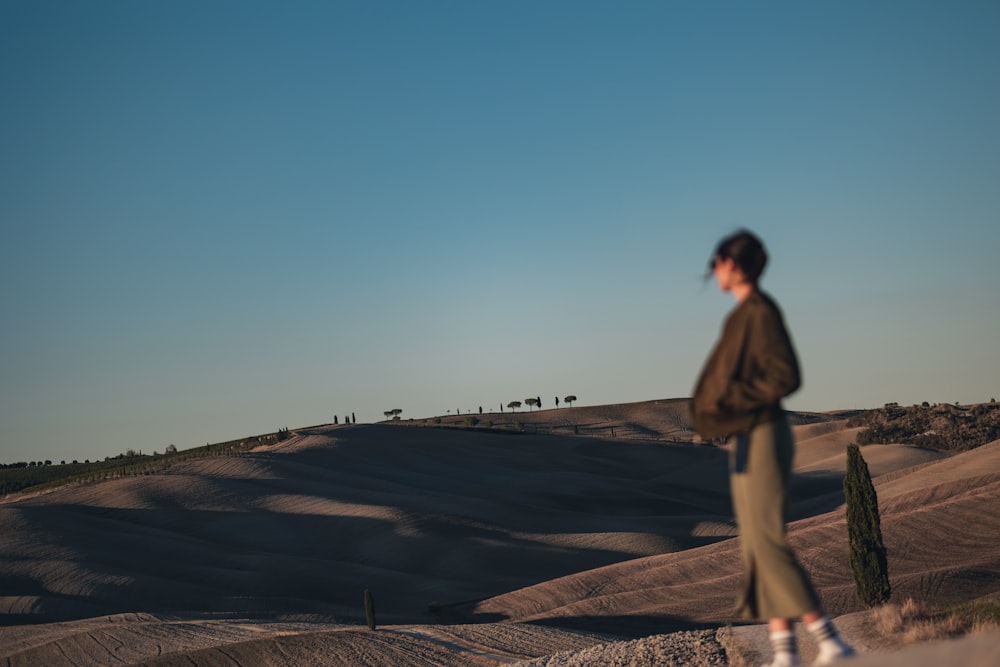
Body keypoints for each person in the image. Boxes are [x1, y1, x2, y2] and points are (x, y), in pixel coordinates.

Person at [691, 230, 855, 667]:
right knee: (755, 545)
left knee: (766, 541)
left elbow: (786, 377)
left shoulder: (761, 312)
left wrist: (733, 399)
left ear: (733, 263)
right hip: (746, 437)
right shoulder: (742, 316)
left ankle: (830, 639)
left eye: (716, 261)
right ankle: (785, 654)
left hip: (763, 432)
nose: (712, 271)